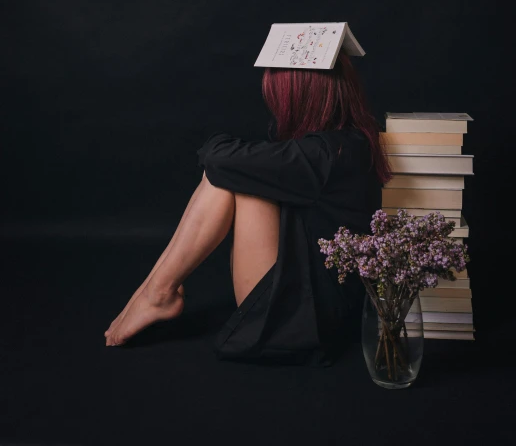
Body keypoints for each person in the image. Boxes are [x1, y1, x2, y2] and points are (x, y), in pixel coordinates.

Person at [104, 48, 392, 365]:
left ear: (304, 95)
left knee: (231, 177)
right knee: (237, 173)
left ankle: (156, 293)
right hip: (326, 300)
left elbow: (217, 159)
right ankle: (153, 291)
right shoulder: (349, 142)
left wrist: (221, 150)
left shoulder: (326, 153)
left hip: (310, 319)